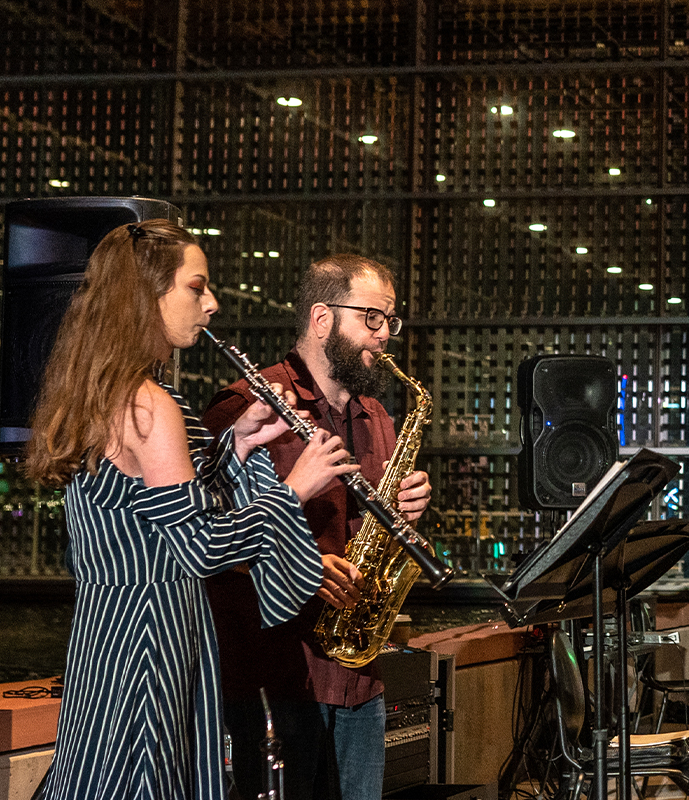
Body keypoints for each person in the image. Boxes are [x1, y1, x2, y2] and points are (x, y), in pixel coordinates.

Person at [24, 220, 354, 799]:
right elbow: (199, 547)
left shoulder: (112, 391)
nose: (212, 303)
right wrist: (293, 489)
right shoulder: (151, 404)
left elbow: (151, 513)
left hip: (108, 635)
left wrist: (239, 445)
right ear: (145, 294)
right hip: (153, 637)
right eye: (195, 287)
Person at [201, 254, 432, 800]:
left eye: (390, 322)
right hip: (277, 677)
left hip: (358, 674)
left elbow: (370, 529)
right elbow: (201, 541)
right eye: (372, 319)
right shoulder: (246, 404)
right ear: (322, 318)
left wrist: (407, 508)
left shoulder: (377, 415)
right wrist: (300, 564)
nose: (385, 336)